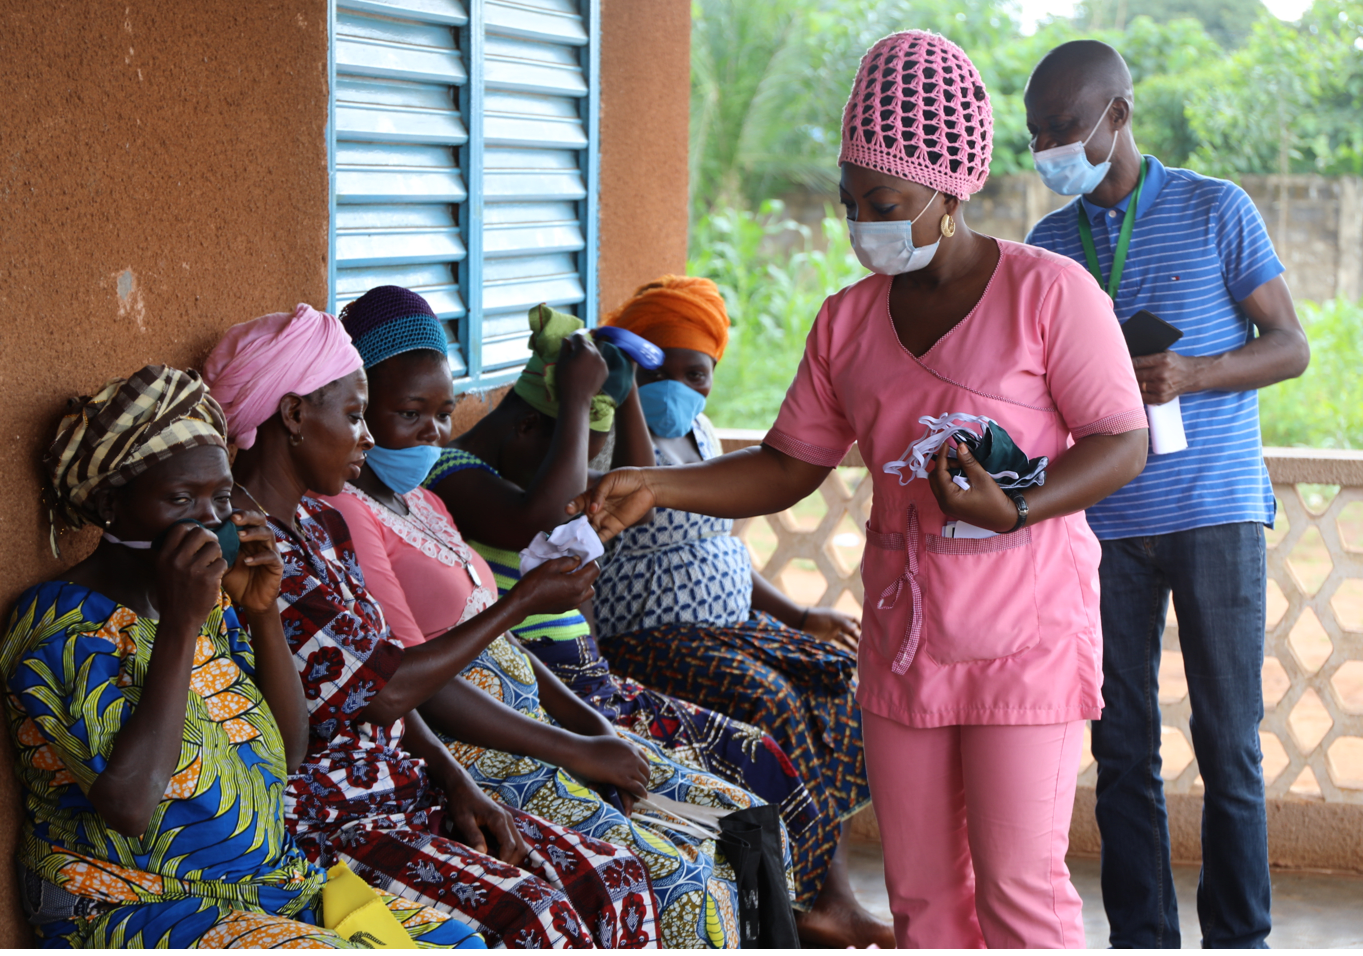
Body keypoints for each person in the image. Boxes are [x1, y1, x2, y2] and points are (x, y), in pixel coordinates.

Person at [573, 31, 1149, 949]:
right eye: (850, 203)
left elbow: (1124, 441)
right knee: (924, 900)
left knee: (1019, 894)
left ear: (946, 190)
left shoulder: (1049, 293)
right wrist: (660, 486)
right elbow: (790, 464)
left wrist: (1020, 505)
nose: (860, 224)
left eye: (882, 202)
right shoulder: (846, 322)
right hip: (907, 645)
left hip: (1026, 644)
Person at [428, 283, 889, 948]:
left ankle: (812, 904)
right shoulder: (467, 484)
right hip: (615, 657)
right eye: (579, 453)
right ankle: (804, 909)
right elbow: (543, 527)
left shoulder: (687, 435)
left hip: (589, 682)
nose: (582, 479)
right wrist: (590, 399)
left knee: (815, 699)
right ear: (533, 430)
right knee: (760, 727)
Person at [322, 285, 777, 948]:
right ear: (357, 410)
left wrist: (590, 723)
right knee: (680, 877)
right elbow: (413, 685)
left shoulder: (423, 500)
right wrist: (573, 746)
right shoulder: (347, 516)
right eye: (408, 412)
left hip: (538, 720)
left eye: (442, 412)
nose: (432, 431)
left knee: (746, 819)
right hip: (483, 746)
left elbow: (503, 639)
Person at [202, 305, 662, 949]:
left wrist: (455, 781)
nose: (367, 439)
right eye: (356, 416)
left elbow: (382, 673)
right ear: (293, 416)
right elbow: (383, 690)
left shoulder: (320, 525)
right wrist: (521, 600)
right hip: (330, 820)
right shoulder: (250, 550)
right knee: (537, 918)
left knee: (613, 879)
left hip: (405, 785)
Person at [7, 365, 481, 949]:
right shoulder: (61, 628)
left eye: (221, 497)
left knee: (457, 942)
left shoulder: (206, 601)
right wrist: (179, 627)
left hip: (263, 886)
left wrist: (261, 612)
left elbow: (289, 751)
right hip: (131, 901)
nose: (210, 520)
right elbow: (129, 804)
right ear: (111, 504)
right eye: (181, 498)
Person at [1022, 39, 1310, 949]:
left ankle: (1241, 939)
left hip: (1216, 513)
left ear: (1119, 116)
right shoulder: (1048, 245)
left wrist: (1195, 371)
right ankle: (1140, 939)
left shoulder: (1218, 208)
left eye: (1065, 129)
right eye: (1035, 135)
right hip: (1101, 528)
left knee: (1229, 748)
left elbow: (1291, 346)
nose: (1049, 151)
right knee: (1121, 758)